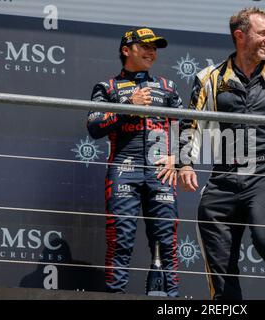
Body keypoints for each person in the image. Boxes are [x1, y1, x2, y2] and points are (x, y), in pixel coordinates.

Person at [177, 7, 265, 300]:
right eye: (262, 33)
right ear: (240, 36)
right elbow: (189, 124)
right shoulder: (207, 78)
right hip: (222, 178)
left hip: (264, 177)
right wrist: (184, 162)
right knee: (218, 257)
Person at [87, 27, 183, 296]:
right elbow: (94, 126)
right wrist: (128, 104)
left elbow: (185, 128)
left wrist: (177, 159)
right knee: (121, 239)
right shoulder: (107, 87)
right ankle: (115, 295)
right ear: (126, 50)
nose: (152, 52)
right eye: (145, 46)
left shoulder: (168, 88)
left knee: (166, 240)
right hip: (123, 171)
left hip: (161, 173)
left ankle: (171, 301)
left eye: (155, 48)